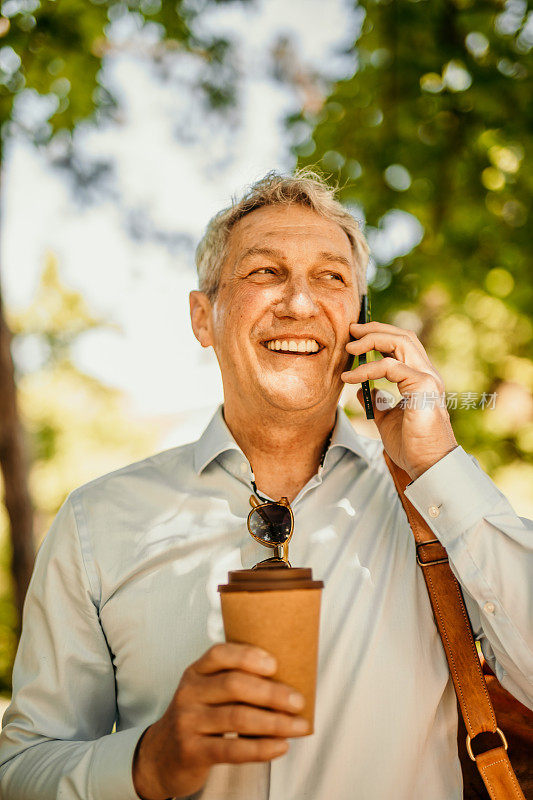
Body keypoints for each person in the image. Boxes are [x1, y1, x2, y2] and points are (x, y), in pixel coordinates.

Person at [0, 171, 531, 800]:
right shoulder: (98, 520)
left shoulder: (438, 503)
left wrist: (439, 461)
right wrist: (147, 763)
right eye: (264, 273)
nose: (301, 304)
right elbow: (21, 770)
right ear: (203, 317)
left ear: (358, 322)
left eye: (332, 278)